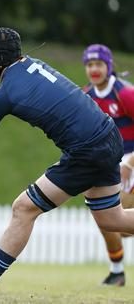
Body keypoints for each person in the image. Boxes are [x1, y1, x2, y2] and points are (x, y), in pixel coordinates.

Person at [0, 27, 134, 303]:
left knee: (24, 208)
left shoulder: (9, 90)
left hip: (87, 151)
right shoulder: (29, 67)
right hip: (107, 137)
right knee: (113, 219)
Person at [82, 44, 134, 286]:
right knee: (106, 219)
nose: (94, 69)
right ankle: (116, 272)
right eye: (89, 64)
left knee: (118, 222)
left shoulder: (125, 93)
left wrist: (130, 164)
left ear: (108, 66)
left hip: (130, 162)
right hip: (108, 164)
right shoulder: (86, 96)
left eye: (98, 64)